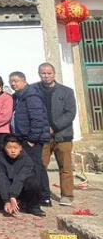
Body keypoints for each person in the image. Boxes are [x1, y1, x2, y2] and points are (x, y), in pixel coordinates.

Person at [8, 70, 51, 206]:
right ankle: (41, 196)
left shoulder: (31, 95)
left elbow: (37, 119)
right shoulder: (18, 96)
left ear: (24, 81)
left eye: (16, 81)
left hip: (31, 139)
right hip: (22, 137)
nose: (13, 84)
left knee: (34, 169)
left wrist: (32, 139)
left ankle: (37, 199)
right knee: (33, 167)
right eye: (11, 82)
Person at [38, 62, 76, 206]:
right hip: (42, 135)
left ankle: (67, 195)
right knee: (41, 166)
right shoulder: (34, 90)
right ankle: (42, 195)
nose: (46, 75)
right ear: (39, 74)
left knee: (65, 167)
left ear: (54, 74)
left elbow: (70, 113)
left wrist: (54, 126)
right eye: (43, 73)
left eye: (49, 73)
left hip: (63, 135)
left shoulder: (66, 91)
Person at [0, 136, 46, 217]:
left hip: (20, 187)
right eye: (9, 148)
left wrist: (13, 196)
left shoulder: (27, 160)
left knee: (33, 183)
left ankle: (33, 206)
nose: (13, 151)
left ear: (21, 148)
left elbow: (20, 178)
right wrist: (7, 200)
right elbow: (2, 178)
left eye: (16, 147)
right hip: (6, 189)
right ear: (4, 148)